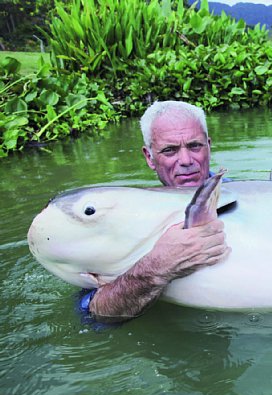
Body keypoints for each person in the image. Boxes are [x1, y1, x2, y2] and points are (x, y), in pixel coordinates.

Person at [81, 101, 231, 323]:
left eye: (195, 146)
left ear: (209, 145)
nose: (186, 161)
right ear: (149, 157)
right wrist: (157, 267)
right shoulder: (130, 216)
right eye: (170, 150)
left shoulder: (248, 196)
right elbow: (94, 314)